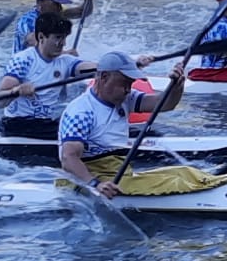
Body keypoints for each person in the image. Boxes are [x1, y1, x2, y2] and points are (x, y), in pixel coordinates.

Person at [56, 50, 188, 199]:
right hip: (91, 180)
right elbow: (68, 158)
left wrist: (176, 86)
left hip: (119, 173)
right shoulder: (81, 112)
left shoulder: (126, 99)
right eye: (124, 83)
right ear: (104, 77)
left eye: (130, 84)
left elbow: (163, 104)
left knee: (185, 173)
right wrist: (95, 184)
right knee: (175, 182)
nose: (128, 89)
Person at [0, 13, 87, 140]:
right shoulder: (23, 60)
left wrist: (110, 66)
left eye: (65, 38)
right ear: (41, 37)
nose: (63, 44)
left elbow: (89, 67)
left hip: (43, 124)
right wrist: (16, 90)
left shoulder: (65, 61)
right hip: (15, 125)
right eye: (58, 37)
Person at [13, 0, 88, 46]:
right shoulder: (28, 20)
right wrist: (64, 54)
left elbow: (83, 12)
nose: (59, 7)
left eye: (59, 3)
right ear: (41, 2)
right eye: (56, 3)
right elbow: (32, 40)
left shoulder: (55, 15)